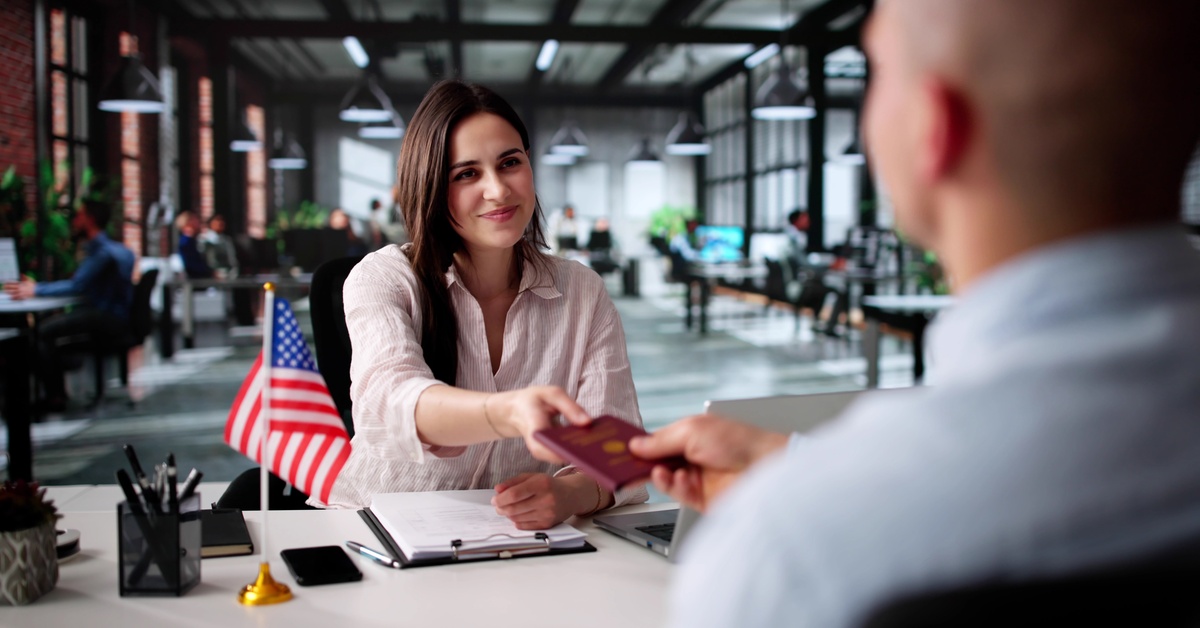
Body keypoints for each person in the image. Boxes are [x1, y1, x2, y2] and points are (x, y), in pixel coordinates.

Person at [629, 1, 1200, 626]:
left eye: (876, 70)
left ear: (933, 127)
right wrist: (789, 460)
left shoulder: (789, 551)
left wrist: (806, 489)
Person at [318, 80, 647, 528]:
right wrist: (508, 413)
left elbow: (620, 459)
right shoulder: (384, 278)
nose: (498, 190)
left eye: (510, 162)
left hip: (520, 546)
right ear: (432, 187)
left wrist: (568, 493)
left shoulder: (583, 292)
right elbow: (390, 403)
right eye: (466, 174)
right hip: (378, 530)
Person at [3, 200, 134, 411]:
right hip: (114, 316)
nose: (74, 221)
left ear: (90, 220)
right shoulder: (119, 249)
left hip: (104, 316)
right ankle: (56, 387)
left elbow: (77, 285)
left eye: (79, 216)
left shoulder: (102, 253)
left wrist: (35, 289)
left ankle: (55, 396)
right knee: (47, 329)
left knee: (42, 332)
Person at [175, 211, 213, 279]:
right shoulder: (186, 242)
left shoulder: (193, 241)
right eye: (195, 220)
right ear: (189, 222)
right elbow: (191, 265)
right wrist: (209, 272)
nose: (198, 222)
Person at [199, 214, 238, 279]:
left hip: (227, 276)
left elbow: (232, 260)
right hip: (211, 277)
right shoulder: (204, 240)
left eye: (222, 221)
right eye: (217, 220)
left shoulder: (226, 240)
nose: (220, 223)